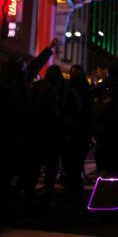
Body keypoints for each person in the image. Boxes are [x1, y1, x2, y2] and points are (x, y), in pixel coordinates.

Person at [0, 40, 57, 213]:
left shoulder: (15, 86)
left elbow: (33, 67)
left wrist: (48, 50)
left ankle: (10, 200)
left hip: (16, 139)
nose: (27, 70)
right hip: (13, 139)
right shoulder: (14, 90)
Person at [25, 65, 78, 209]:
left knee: (34, 167)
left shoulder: (37, 86)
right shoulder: (65, 88)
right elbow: (74, 109)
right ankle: (48, 197)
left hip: (37, 132)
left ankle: (29, 196)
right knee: (51, 167)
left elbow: (29, 108)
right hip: (55, 133)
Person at [62, 64, 93, 204]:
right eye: (73, 72)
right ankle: (73, 191)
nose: (75, 75)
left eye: (77, 72)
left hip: (79, 131)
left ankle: (73, 191)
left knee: (74, 163)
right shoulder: (76, 89)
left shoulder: (82, 90)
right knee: (71, 163)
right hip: (74, 130)